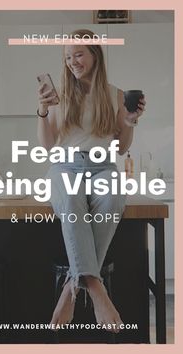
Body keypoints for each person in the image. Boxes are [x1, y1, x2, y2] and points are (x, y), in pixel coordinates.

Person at [37, 29, 146, 333]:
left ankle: (70, 288)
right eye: (68, 57)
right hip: (65, 167)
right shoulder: (59, 94)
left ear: (95, 54)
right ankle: (97, 292)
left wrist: (128, 122)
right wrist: (43, 111)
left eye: (79, 54)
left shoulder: (115, 95)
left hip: (103, 167)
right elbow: (48, 147)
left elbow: (122, 147)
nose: (72, 62)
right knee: (71, 200)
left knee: (113, 199)